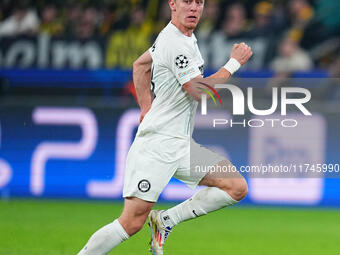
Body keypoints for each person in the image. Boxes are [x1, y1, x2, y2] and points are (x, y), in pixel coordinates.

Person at [77, 1, 252, 255]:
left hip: (179, 144)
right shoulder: (176, 43)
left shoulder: (179, 37)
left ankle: (166, 220)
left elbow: (140, 66)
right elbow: (197, 92)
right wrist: (233, 64)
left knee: (236, 186)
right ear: (173, 4)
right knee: (131, 222)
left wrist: (146, 108)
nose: (194, 8)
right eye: (187, 1)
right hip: (157, 146)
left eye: (199, 2)